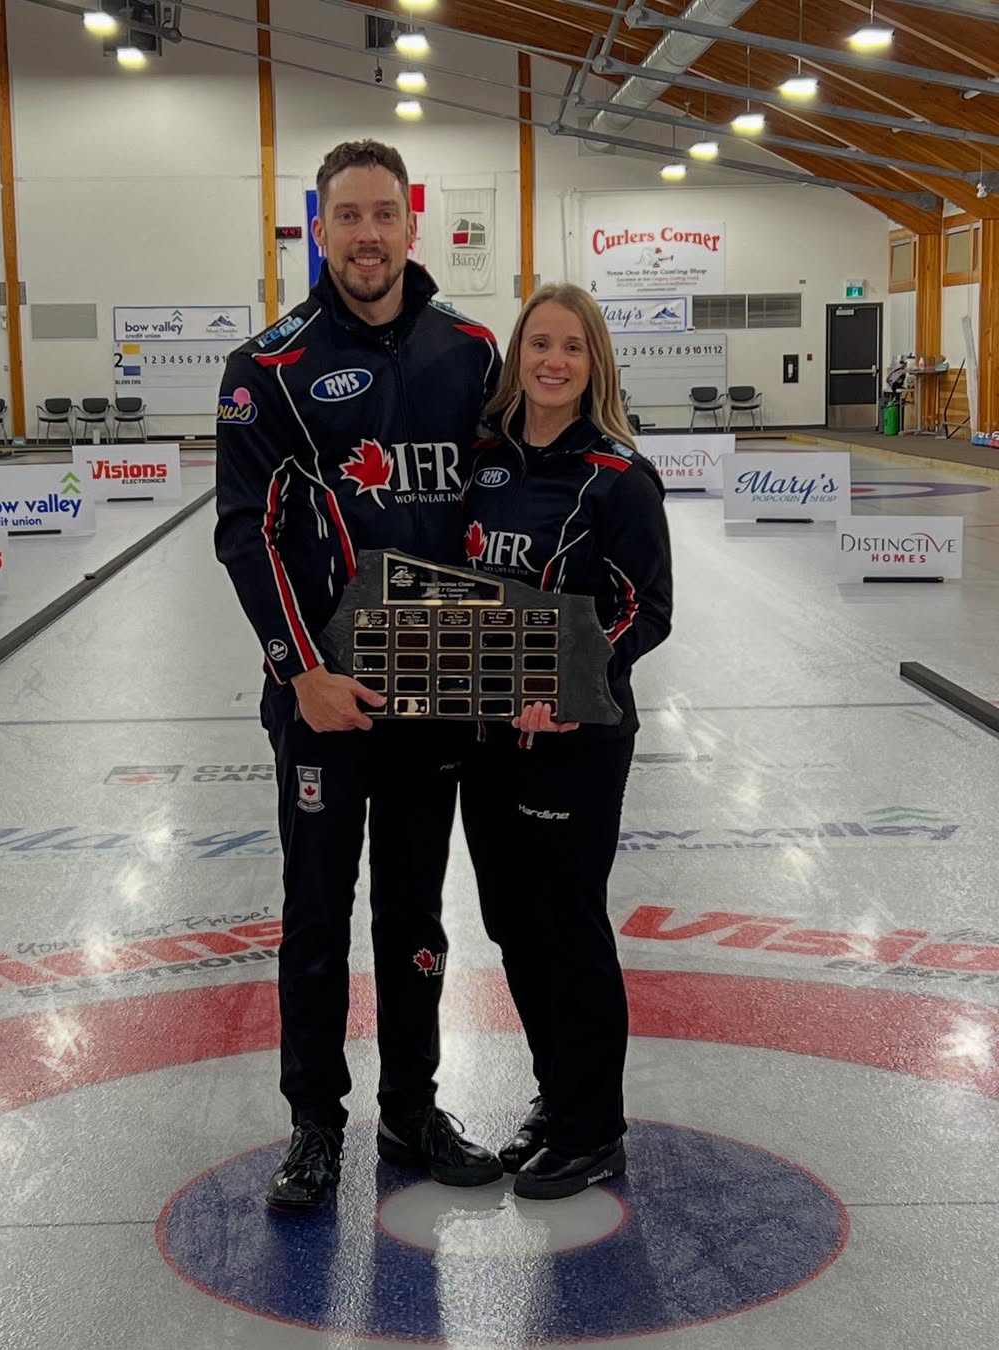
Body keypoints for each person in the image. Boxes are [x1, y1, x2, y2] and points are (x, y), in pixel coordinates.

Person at [214, 140, 503, 1211]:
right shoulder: (270, 370)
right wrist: (302, 677)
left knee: (416, 918)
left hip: (433, 704)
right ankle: (313, 1123)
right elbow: (246, 536)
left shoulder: (472, 353)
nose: (368, 234)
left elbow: (506, 510)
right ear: (317, 227)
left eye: (386, 214)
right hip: (322, 708)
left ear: (412, 225)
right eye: (348, 216)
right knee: (315, 914)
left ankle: (414, 1111)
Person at [460, 283, 672, 1200]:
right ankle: (559, 1093)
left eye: (572, 348)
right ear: (517, 355)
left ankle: (596, 1130)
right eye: (538, 344)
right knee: (511, 923)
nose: (552, 361)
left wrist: (566, 687)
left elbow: (646, 611)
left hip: (575, 740)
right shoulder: (485, 462)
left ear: (596, 365)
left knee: (567, 923)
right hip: (486, 733)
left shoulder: (619, 476)